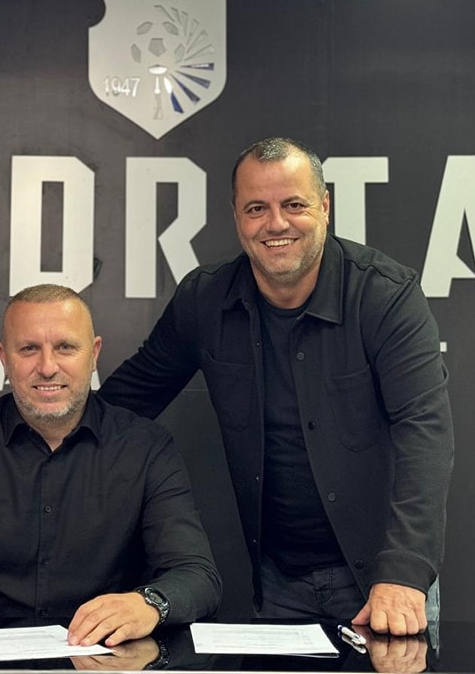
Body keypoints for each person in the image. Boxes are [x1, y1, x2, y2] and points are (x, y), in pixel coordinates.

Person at [99, 137, 454, 636]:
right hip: (275, 582)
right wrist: (34, 430)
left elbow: (425, 432)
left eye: (294, 205)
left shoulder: (384, 296)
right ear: (236, 216)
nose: (276, 223)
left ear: (325, 207)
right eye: (256, 208)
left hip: (383, 581)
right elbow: (127, 401)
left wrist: (404, 572)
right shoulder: (205, 300)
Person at [0, 284, 221, 648]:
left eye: (65, 347)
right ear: (4, 358)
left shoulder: (146, 447)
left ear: (94, 354)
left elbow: (197, 576)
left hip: (105, 661)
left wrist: (149, 604)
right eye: (29, 349)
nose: (47, 367)